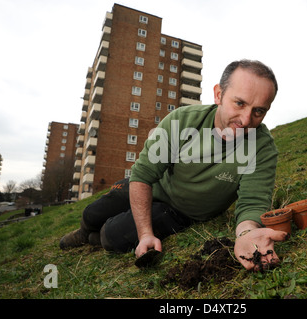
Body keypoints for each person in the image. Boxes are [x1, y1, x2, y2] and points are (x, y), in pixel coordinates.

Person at [60, 59, 288, 271]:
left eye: (259, 111)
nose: (246, 120)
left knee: (110, 236)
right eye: (239, 103)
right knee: (92, 213)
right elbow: (143, 175)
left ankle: (94, 239)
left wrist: (247, 233)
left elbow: (252, 203)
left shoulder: (262, 148)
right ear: (219, 94)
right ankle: (83, 233)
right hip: (153, 187)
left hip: (181, 212)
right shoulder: (182, 121)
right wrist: (145, 232)